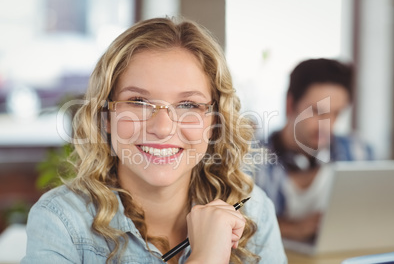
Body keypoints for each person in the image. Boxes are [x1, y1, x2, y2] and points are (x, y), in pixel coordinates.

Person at [21, 17, 287, 264]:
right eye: (138, 101)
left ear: (214, 123)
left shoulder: (254, 211)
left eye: (188, 104)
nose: (162, 128)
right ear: (106, 116)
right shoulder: (60, 221)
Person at [254, 58, 373, 242]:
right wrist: (292, 228)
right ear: (290, 105)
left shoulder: (359, 152)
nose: (328, 125)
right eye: (317, 112)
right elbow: (238, 221)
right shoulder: (251, 159)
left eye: (336, 113)